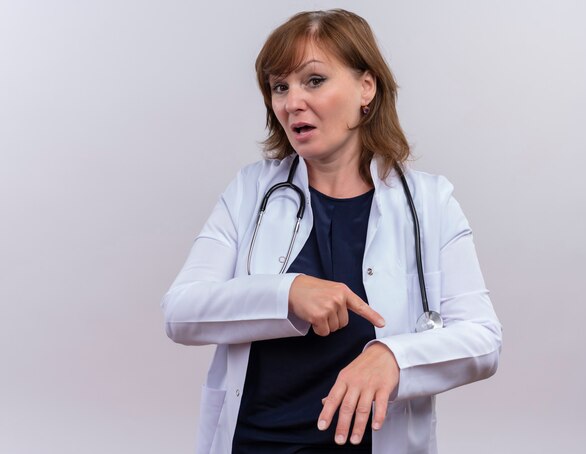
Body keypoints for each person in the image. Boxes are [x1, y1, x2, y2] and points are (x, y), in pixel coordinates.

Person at [161, 9, 502, 454]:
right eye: (279, 87)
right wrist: (287, 293)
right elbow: (180, 312)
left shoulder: (431, 204)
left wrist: (394, 358)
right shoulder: (251, 192)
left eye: (313, 81)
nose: (291, 102)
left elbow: (483, 338)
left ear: (366, 87)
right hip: (257, 443)